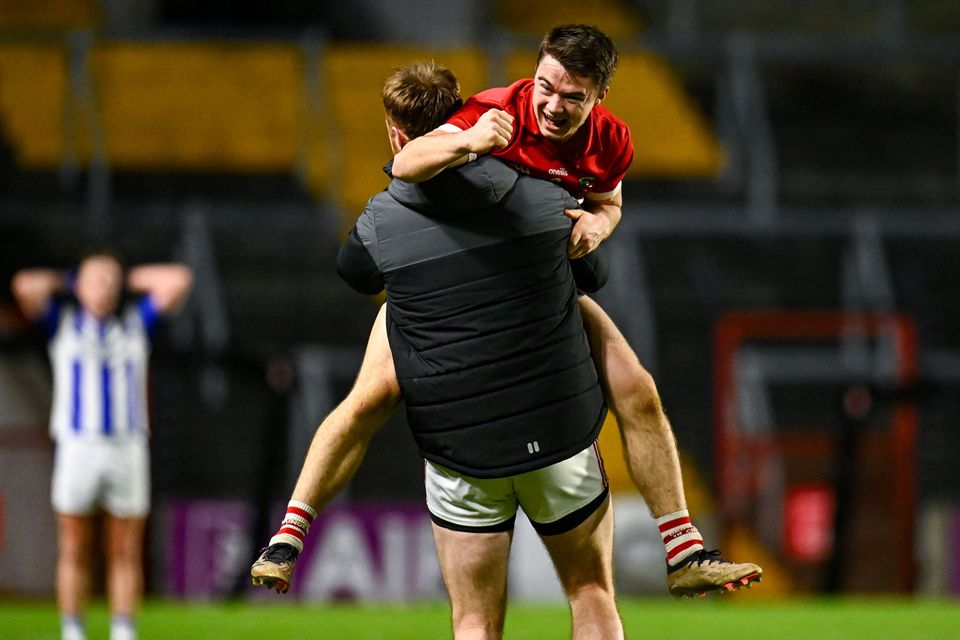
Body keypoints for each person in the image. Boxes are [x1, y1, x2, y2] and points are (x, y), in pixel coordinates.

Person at [256, 23, 759, 603]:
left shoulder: (613, 140)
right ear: (533, 74)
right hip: (455, 277)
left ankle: (685, 547)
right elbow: (410, 163)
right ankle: (289, 533)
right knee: (370, 396)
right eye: (546, 86)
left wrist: (600, 223)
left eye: (573, 96)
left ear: (600, 98)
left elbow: (608, 200)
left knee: (639, 389)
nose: (553, 104)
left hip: (532, 268)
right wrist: (470, 143)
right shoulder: (491, 111)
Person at [254, 61, 622, 639]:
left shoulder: (382, 219)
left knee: (473, 619)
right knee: (591, 591)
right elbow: (591, 268)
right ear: (460, 117)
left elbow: (354, 271)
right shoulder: (539, 191)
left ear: (396, 134)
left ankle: (292, 527)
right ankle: (681, 530)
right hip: (556, 429)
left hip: (461, 446)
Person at [12, 251, 192, 640]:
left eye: (110, 281)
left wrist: (124, 278)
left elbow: (178, 279)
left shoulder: (135, 323)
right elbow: (24, 284)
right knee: (74, 544)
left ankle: (123, 630)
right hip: (78, 446)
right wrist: (70, 278)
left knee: (124, 546)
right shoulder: (62, 324)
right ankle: (73, 630)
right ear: (79, 286)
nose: (104, 288)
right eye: (96, 280)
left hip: (126, 447)